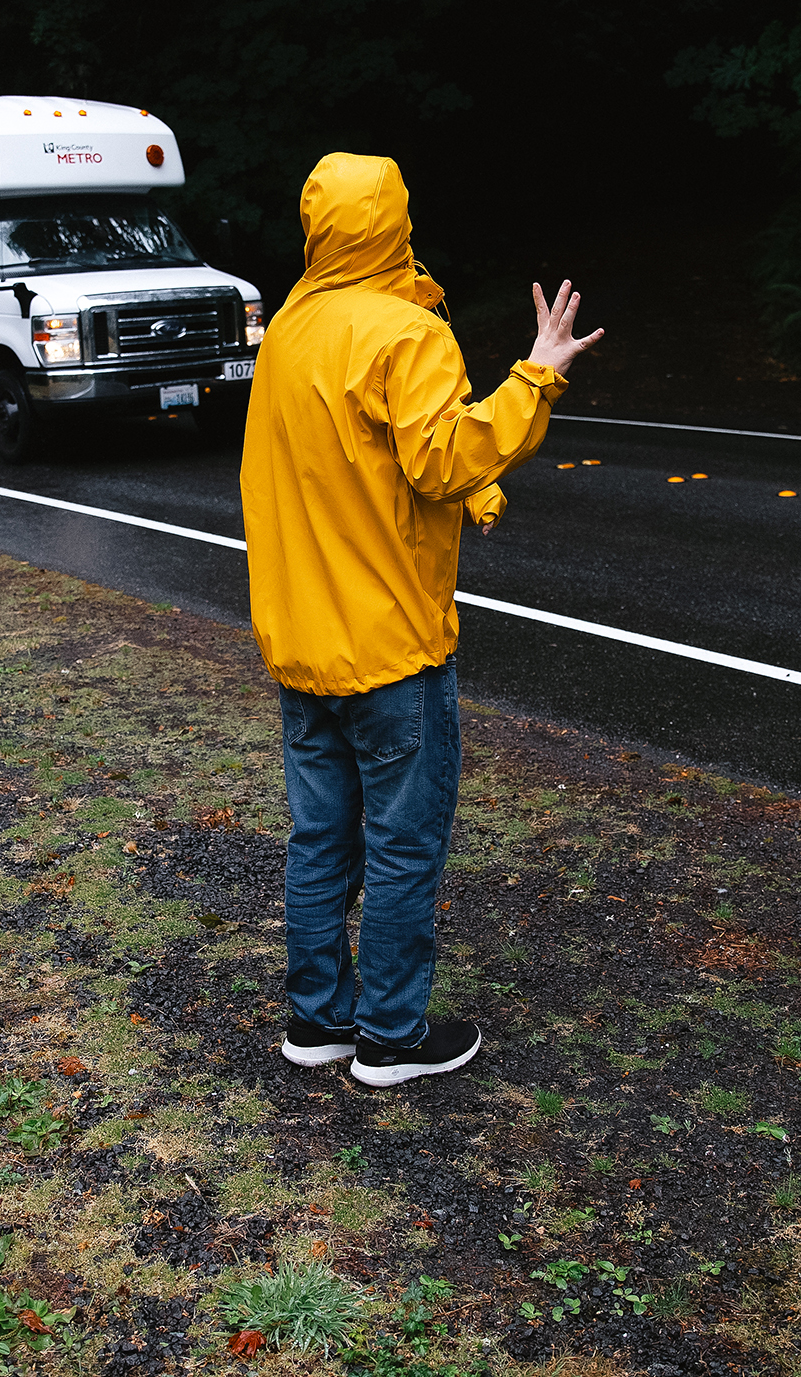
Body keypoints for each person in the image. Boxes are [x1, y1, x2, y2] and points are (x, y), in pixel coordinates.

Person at [240, 152, 604, 1087]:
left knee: (320, 840)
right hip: (391, 645)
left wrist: (465, 492)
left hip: (303, 641)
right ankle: (392, 1037)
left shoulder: (287, 330)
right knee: (404, 843)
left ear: (318, 227)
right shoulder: (406, 332)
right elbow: (438, 460)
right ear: (395, 226)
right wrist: (537, 377)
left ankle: (316, 1020)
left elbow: (350, 465)